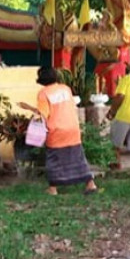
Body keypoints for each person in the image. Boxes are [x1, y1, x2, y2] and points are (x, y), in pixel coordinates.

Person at [18, 67, 98, 195]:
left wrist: (28, 108)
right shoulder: (65, 89)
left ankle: (53, 188)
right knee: (78, 157)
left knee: (54, 159)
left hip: (56, 130)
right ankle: (90, 184)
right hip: (72, 128)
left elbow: (43, 114)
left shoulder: (44, 93)